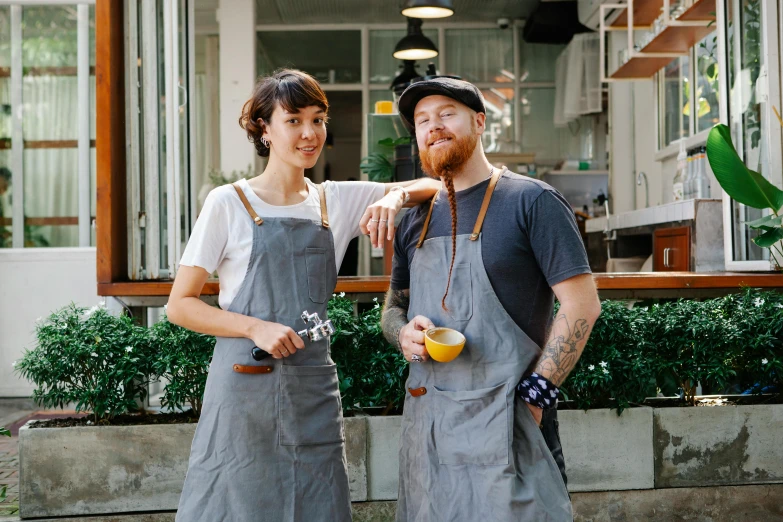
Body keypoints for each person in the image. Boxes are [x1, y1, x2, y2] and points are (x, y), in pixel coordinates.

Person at [167, 69, 440, 522]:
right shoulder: (228, 203)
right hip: (244, 381)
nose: (310, 133)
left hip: (312, 383)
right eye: (294, 120)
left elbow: (431, 187)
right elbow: (180, 305)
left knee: (317, 500)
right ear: (264, 128)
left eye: (318, 119)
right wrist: (254, 325)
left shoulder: (335, 200)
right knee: (239, 499)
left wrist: (393, 199)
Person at [381, 78, 602, 521]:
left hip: (508, 420)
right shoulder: (413, 219)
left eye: (446, 114)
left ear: (479, 121)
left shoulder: (532, 201)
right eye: (422, 121)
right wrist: (401, 333)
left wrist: (537, 395)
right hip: (430, 425)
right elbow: (392, 309)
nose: (433, 127)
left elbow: (582, 305)